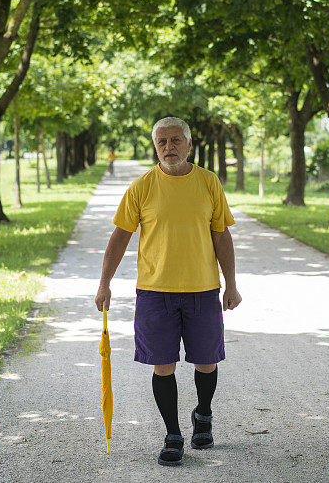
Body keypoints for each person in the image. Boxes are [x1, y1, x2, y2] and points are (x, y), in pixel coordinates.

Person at [95, 116, 242, 467]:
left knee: (207, 362)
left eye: (175, 140)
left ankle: (203, 414)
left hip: (203, 289)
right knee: (163, 366)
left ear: (189, 144)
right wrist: (104, 284)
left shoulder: (208, 183)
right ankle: (173, 434)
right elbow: (120, 237)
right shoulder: (142, 186)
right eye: (161, 142)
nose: (168, 147)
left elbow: (221, 235)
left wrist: (232, 285)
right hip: (154, 292)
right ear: (155, 146)